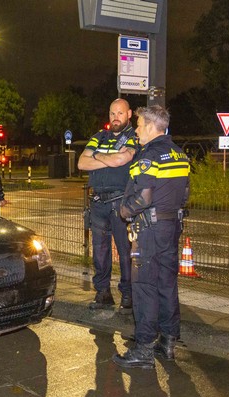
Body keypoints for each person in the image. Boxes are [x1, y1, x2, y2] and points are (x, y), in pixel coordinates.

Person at [111, 105, 190, 369]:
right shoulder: (180, 155)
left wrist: (124, 211)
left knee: (143, 286)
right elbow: (185, 194)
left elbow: (143, 198)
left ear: (153, 127)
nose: (136, 129)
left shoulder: (149, 157)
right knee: (167, 284)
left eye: (140, 124)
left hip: (149, 230)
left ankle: (143, 348)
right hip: (171, 228)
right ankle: (167, 342)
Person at [77, 98, 137, 314]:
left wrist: (96, 155)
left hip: (121, 203)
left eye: (120, 113)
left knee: (125, 252)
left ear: (129, 114)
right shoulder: (98, 136)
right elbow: (81, 163)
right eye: (112, 113)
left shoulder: (133, 136)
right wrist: (108, 157)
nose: (115, 118)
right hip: (98, 204)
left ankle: (128, 295)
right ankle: (103, 293)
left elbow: (123, 160)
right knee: (99, 252)